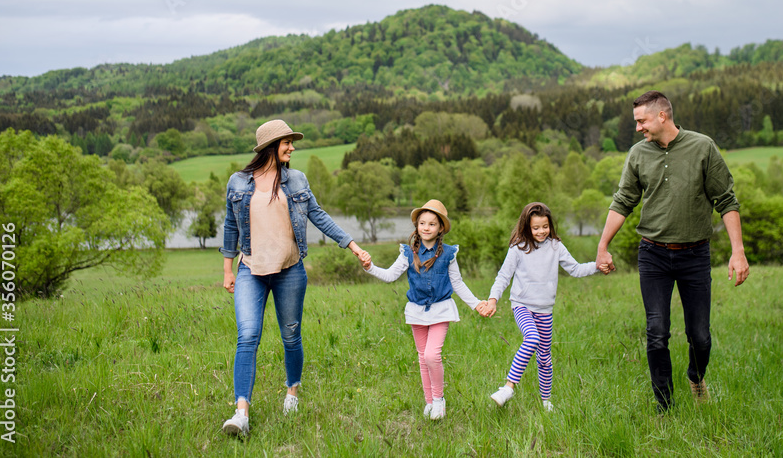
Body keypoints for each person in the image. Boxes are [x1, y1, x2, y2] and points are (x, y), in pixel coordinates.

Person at [595, 90, 749, 412]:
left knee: (700, 336)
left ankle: (695, 376)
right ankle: (664, 406)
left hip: (695, 255)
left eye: (642, 121)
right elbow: (623, 201)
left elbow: (726, 201)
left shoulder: (702, 147)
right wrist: (602, 246)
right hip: (653, 255)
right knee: (656, 332)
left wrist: (738, 252)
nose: (638, 128)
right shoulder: (638, 154)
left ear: (662, 116)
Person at [219, 119, 371, 437]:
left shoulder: (297, 180)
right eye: (287, 142)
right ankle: (241, 413)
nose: (292, 146)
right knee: (247, 336)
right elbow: (231, 226)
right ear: (270, 147)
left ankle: (292, 393)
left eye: (292, 142)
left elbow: (319, 215)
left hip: (289, 271)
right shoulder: (239, 182)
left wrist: (353, 246)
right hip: (251, 272)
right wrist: (227, 269)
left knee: (291, 337)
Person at [362, 199, 486, 420]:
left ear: (440, 228)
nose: (426, 227)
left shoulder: (448, 254)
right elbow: (391, 276)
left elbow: (457, 283)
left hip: (441, 310)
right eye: (422, 223)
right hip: (417, 311)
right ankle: (429, 401)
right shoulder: (409, 253)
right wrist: (370, 268)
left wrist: (477, 304)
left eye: (431, 224)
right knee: (422, 357)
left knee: (432, 354)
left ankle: (439, 400)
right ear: (417, 226)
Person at [480, 202, 601, 412]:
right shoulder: (518, 248)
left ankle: (546, 402)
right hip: (522, 305)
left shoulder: (556, 246)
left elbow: (576, 269)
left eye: (544, 227)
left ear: (550, 225)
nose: (541, 231)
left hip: (545, 309)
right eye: (536, 228)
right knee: (532, 338)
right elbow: (503, 276)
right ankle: (508, 387)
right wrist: (493, 299)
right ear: (526, 227)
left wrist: (598, 266)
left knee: (545, 357)